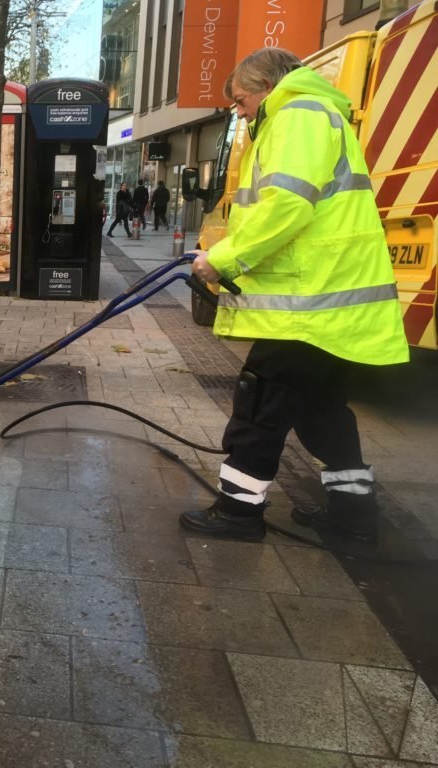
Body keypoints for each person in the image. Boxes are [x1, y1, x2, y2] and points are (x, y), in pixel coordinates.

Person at [180, 47, 409, 543]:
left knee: (260, 400)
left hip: (308, 303)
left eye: (240, 100)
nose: (238, 111)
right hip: (328, 304)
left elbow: (286, 206)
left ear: (267, 86)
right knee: (321, 410)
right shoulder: (318, 114)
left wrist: (222, 259)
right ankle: (354, 515)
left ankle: (238, 513)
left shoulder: (298, 114)